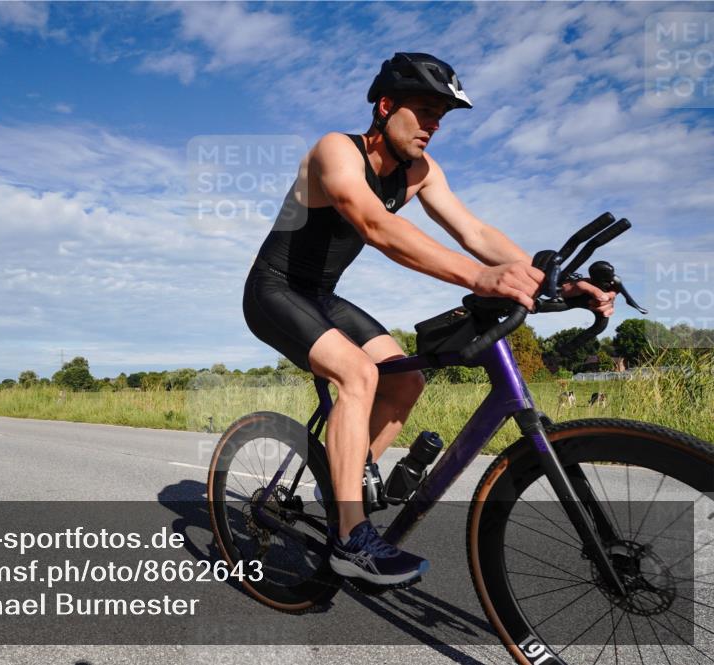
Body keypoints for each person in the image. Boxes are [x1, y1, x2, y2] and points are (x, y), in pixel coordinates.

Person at [242, 52, 617, 587]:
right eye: (424, 110)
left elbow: (477, 234)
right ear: (386, 105)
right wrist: (477, 278)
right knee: (358, 374)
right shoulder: (335, 151)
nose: (434, 125)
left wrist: (551, 279)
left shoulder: (420, 171)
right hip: (273, 290)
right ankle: (351, 538)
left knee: (405, 379)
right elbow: (373, 223)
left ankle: (338, 488)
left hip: (322, 295)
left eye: (442, 114)